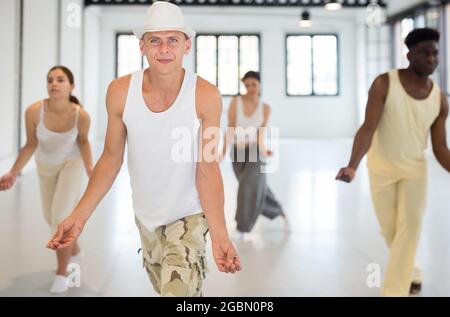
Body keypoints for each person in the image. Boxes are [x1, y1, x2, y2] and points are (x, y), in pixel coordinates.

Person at [47, 1, 241, 297]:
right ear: (142, 46)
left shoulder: (206, 95)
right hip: (146, 218)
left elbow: (207, 167)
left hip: (189, 216)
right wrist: (79, 217)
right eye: (155, 40)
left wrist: (219, 234)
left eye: (172, 40)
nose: (164, 48)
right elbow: (111, 158)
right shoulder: (120, 92)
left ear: (186, 45)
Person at [336, 28, 450, 296]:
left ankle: (394, 291)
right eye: (425, 52)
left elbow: (441, 148)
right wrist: (352, 165)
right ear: (409, 54)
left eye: (435, 53)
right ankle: (413, 272)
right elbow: (368, 128)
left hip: (415, 172)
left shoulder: (440, 100)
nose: (432, 58)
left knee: (409, 231)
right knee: (391, 230)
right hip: (381, 168)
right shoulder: (384, 83)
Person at [0, 65, 93, 293]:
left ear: (71, 86)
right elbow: (31, 144)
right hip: (45, 167)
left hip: (72, 165)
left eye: (60, 80)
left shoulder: (81, 115)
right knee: (49, 216)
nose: (54, 84)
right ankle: (76, 248)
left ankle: (62, 273)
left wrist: (91, 168)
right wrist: (13, 172)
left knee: (60, 217)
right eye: (50, 80)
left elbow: (82, 141)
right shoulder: (34, 111)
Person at [221, 71, 289, 240]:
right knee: (257, 188)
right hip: (237, 152)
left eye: (254, 84)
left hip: (255, 152)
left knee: (247, 187)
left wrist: (264, 150)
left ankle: (242, 228)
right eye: (247, 85)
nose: (251, 88)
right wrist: (223, 150)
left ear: (259, 85)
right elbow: (230, 127)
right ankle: (280, 212)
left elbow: (260, 133)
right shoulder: (236, 102)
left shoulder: (265, 108)